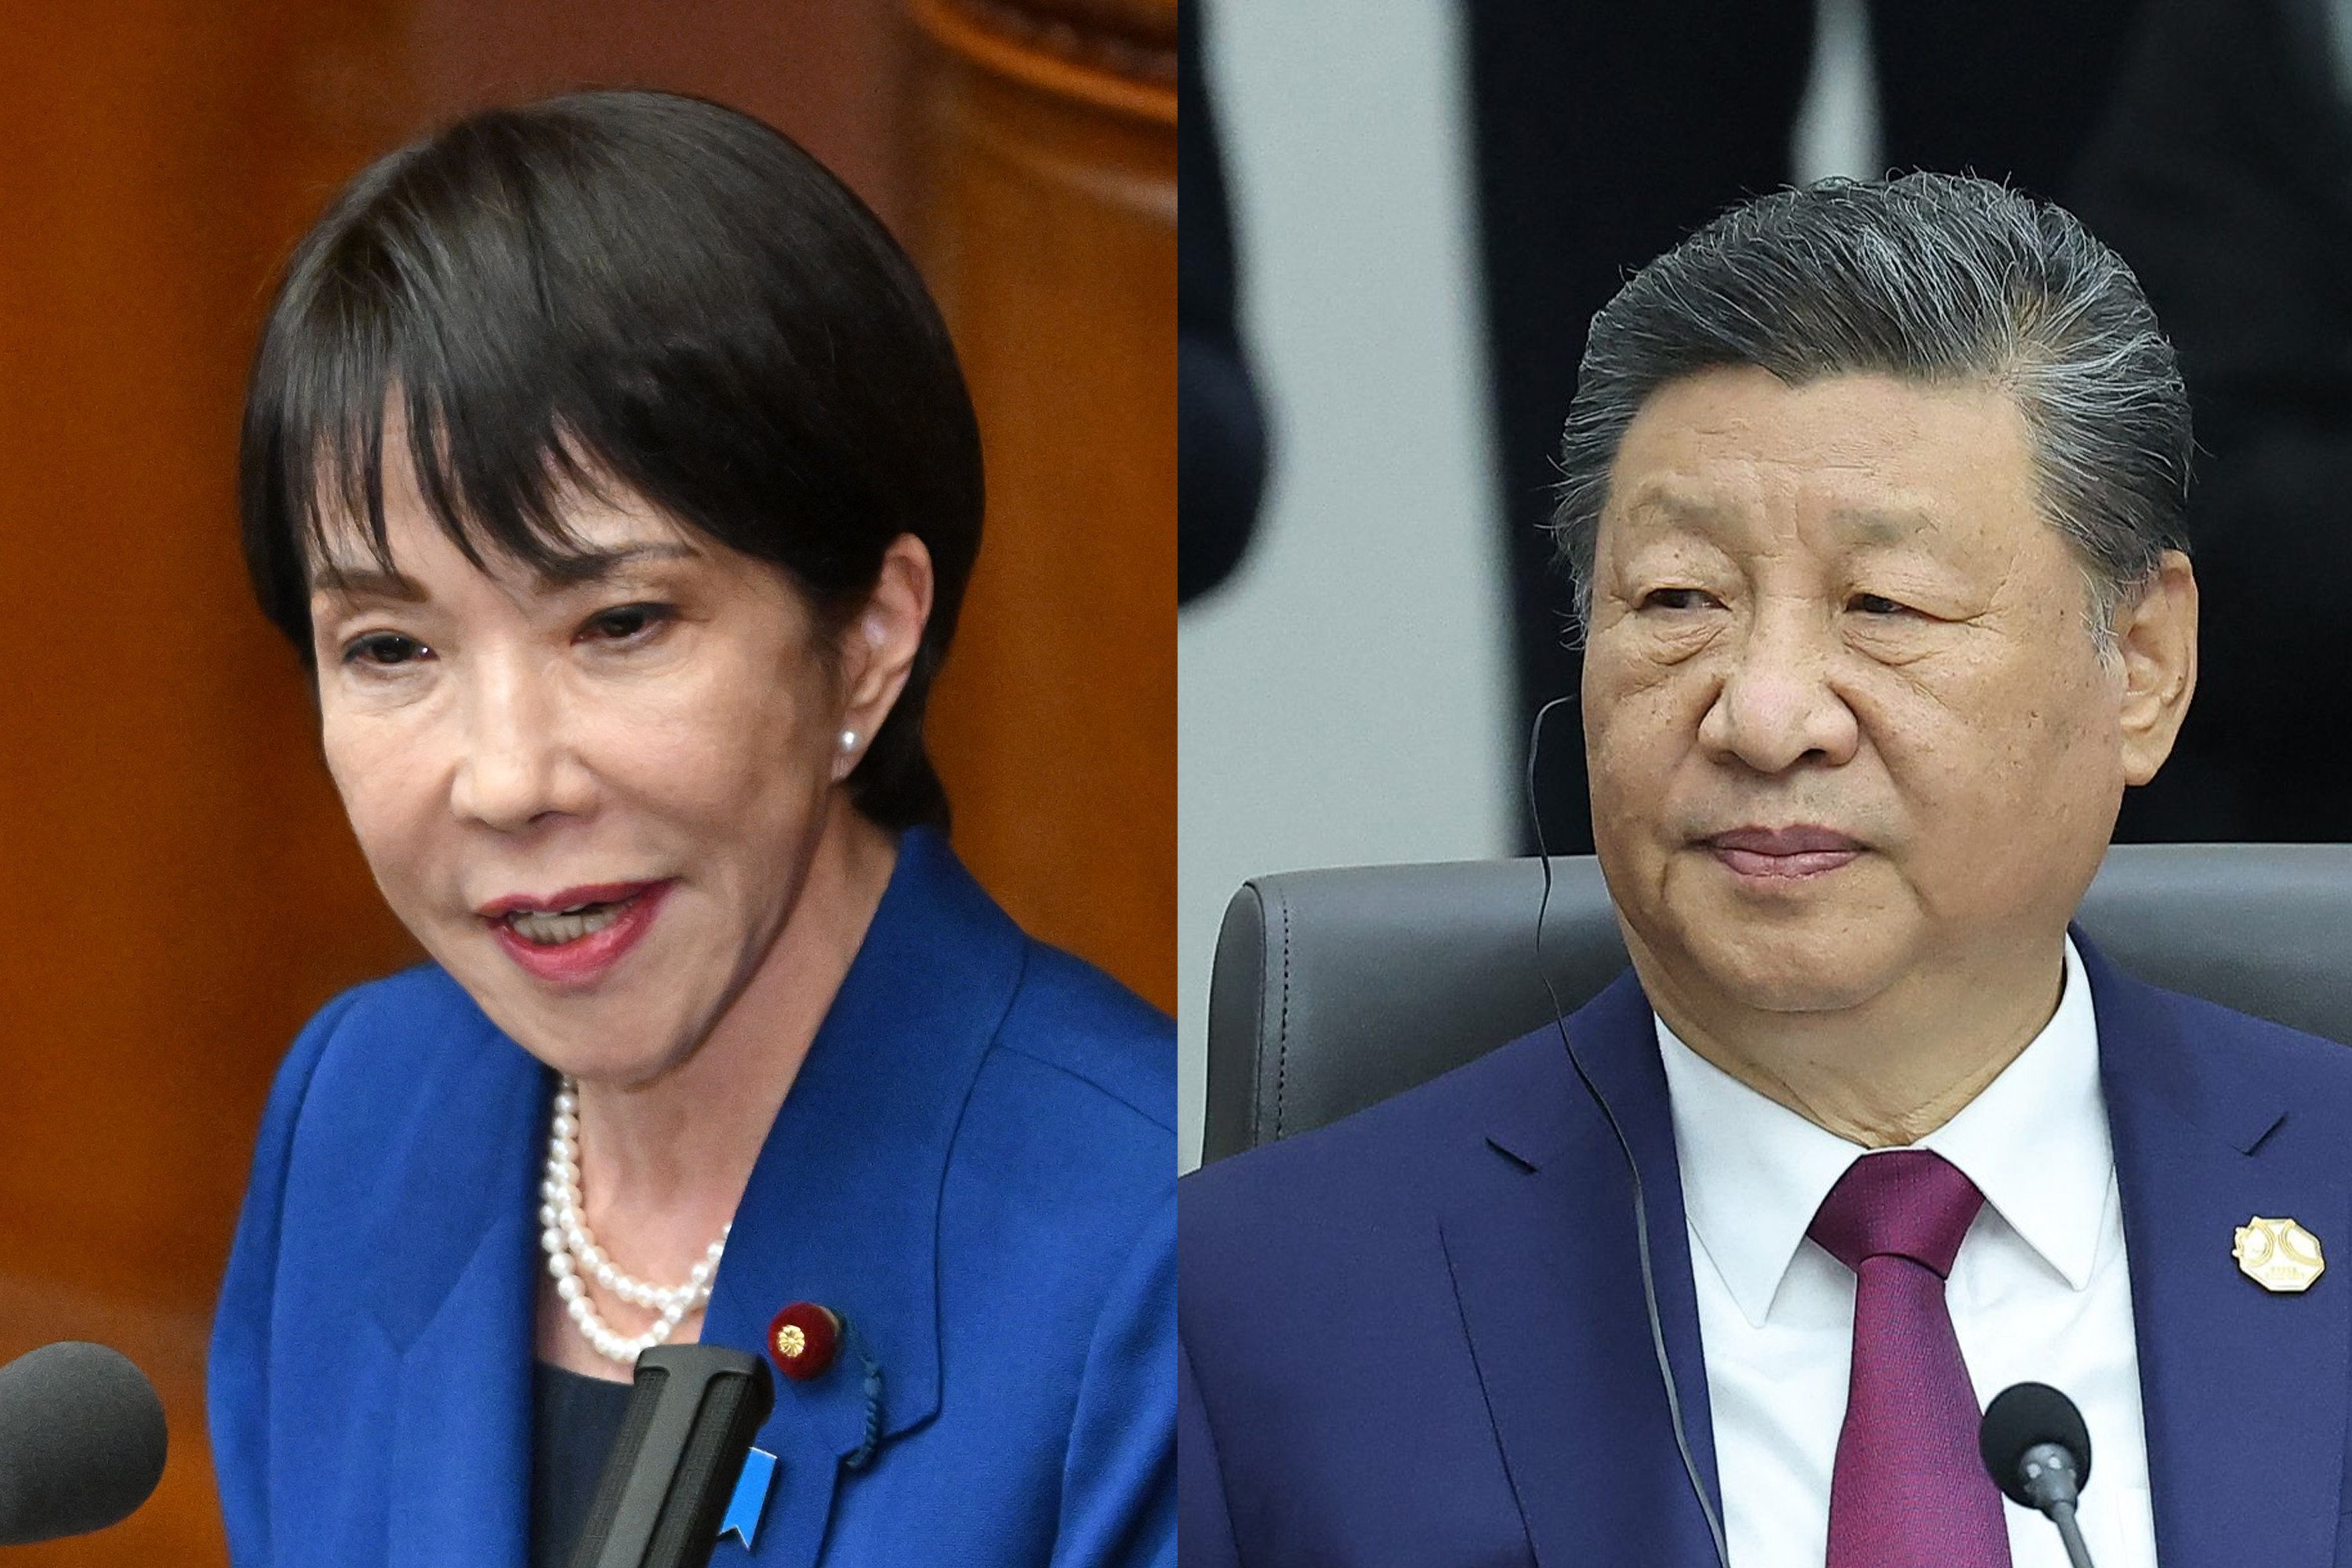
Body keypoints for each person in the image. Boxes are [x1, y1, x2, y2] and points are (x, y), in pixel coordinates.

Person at [1181, 174, 2352, 1567]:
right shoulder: (1231, 1315)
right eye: (1679, 601)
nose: (1764, 713)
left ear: (2143, 667)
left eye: (1884, 607)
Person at [209, 91, 1174, 1568]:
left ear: (868, 636)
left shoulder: (1155, 1245)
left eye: (623, 622)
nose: (508, 779)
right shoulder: (362, 1108)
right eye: (392, 649)